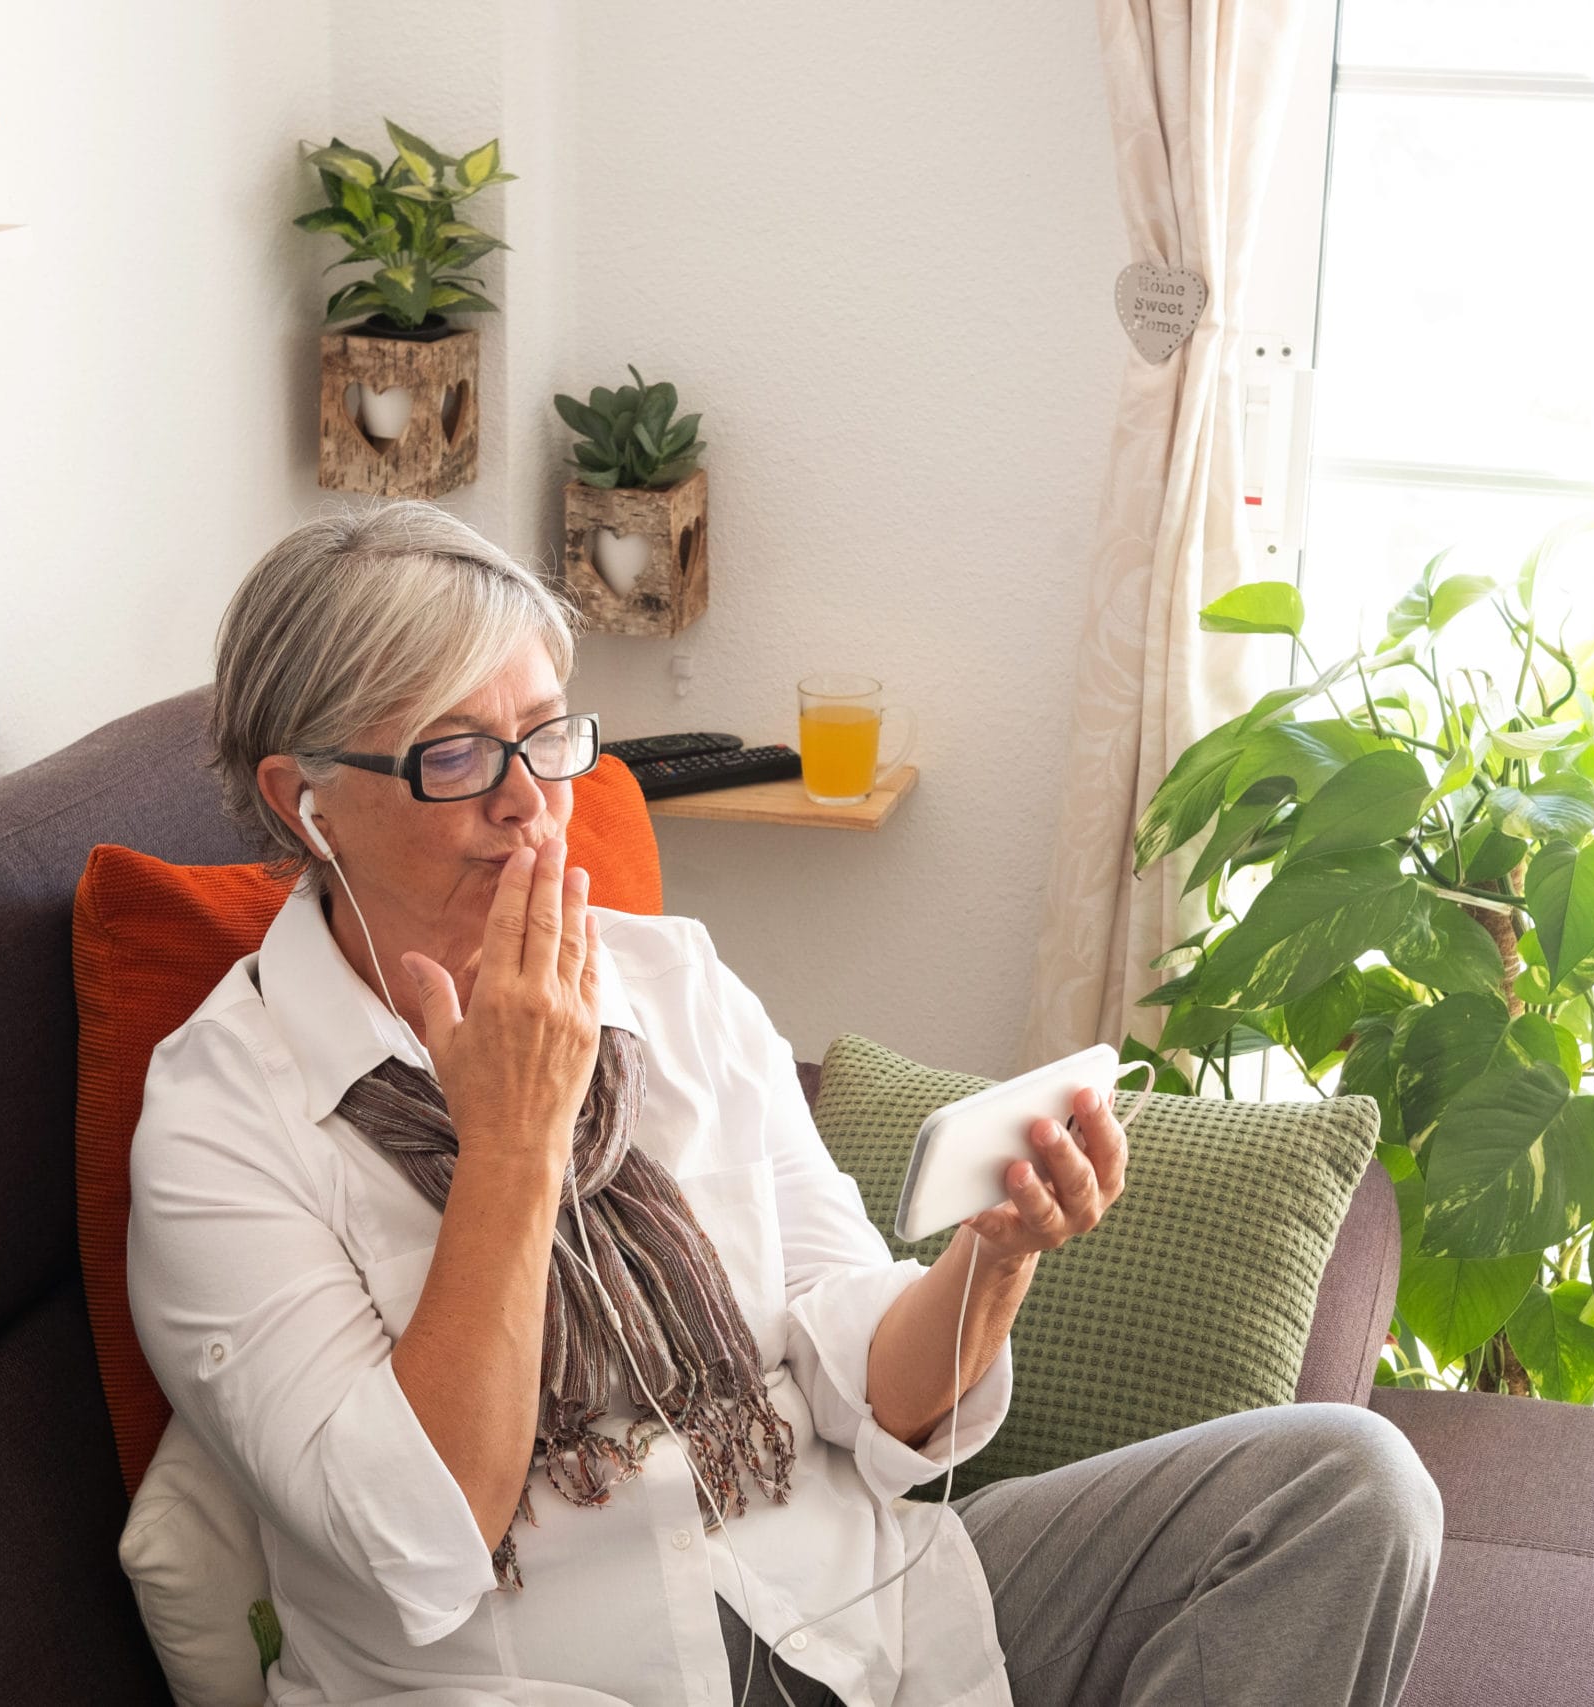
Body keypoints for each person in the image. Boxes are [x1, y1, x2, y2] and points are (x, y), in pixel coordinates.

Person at [125, 500, 1441, 1707]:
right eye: (459, 757)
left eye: (545, 735)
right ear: (310, 806)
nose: (534, 810)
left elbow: (865, 1382)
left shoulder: (673, 984)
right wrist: (517, 1143)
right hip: (540, 1684)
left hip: (854, 1615)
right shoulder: (219, 1127)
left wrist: (998, 1252)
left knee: (1346, 1489)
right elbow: (417, 1535)